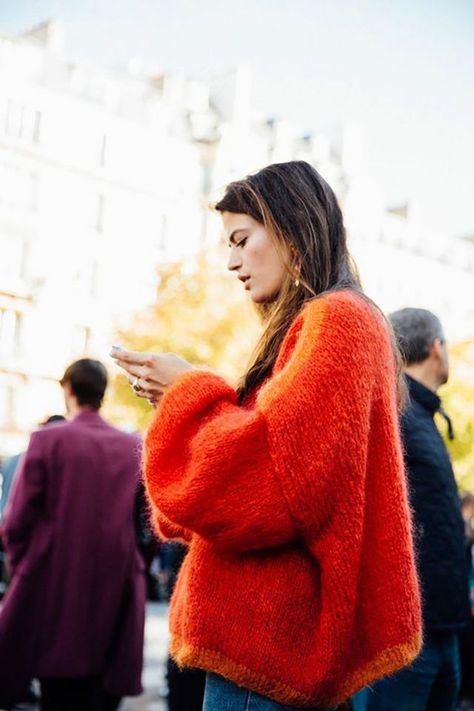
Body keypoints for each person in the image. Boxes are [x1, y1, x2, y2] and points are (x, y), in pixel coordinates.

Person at [111, 161, 422, 710]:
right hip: (273, 649)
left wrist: (188, 391)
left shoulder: (338, 320)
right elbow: (285, 456)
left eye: (240, 239)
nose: (230, 262)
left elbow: (267, 481)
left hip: (271, 648)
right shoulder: (337, 321)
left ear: (288, 226)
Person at [0, 359, 145, 711]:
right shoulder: (132, 447)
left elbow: (16, 522)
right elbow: (146, 526)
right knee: (102, 694)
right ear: (102, 393)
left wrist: (27, 569)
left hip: (56, 586)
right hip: (117, 587)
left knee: (59, 692)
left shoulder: (48, 440)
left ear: (67, 389)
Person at [353, 308, 471, 711]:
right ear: (436, 348)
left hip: (441, 626)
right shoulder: (392, 410)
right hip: (404, 637)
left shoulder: (419, 413)